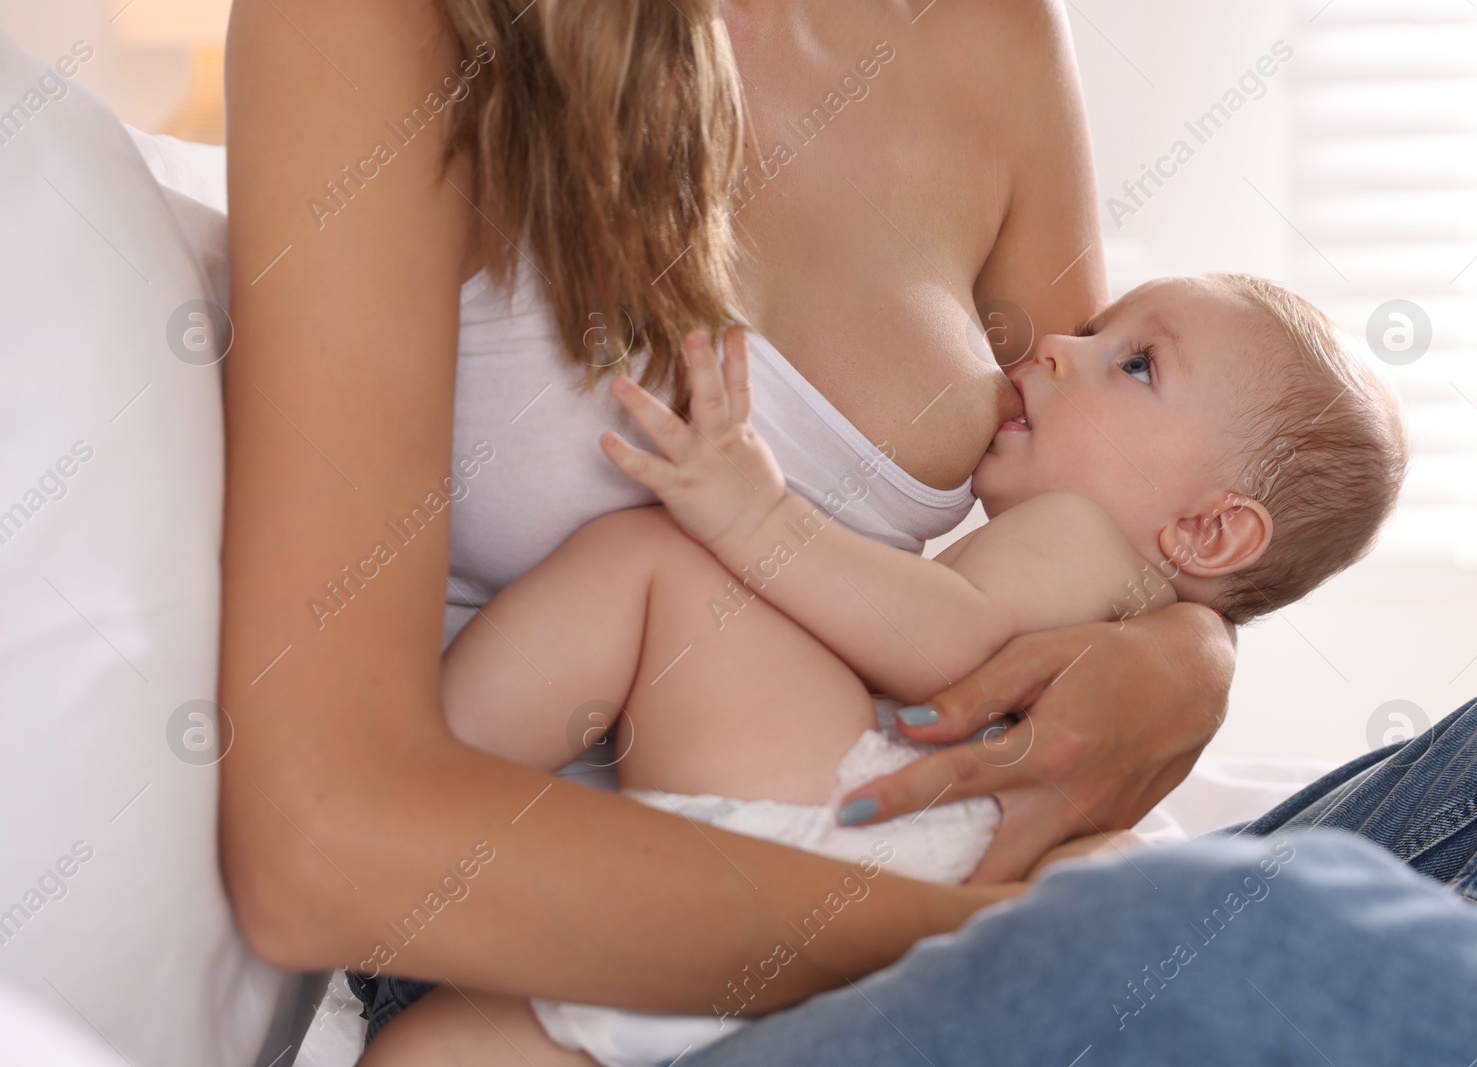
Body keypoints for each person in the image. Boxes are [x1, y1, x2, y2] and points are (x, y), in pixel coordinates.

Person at [221, 0, 1231, 1052]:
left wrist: (1189, 655)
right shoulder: (387, 25)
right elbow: (320, 846)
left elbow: (1118, 487)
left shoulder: (993, 29)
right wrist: (1000, 944)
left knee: (1385, 870)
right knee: (1313, 945)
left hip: (908, 851)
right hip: (569, 949)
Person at [363, 270, 1404, 1065]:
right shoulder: (1125, 610)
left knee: (650, 564)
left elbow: (950, 643)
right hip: (878, 903)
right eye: (1093, 332)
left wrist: (753, 513)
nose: (1052, 346)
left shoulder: (1085, 540)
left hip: (866, 828)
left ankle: (415, 770)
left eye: (1133, 364)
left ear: (1211, 531)